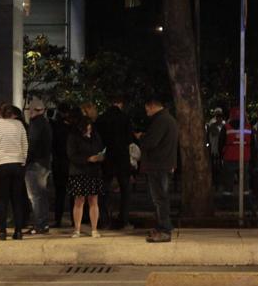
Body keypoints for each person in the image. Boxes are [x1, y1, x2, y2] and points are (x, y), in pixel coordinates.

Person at [0, 103, 30, 240]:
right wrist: (22, 160)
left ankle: (2, 231)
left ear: (1, 113)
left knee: (2, 200)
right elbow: (25, 144)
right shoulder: (19, 125)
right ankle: (18, 231)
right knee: (17, 199)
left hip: (0, 164)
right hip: (17, 163)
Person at [140, 96, 179, 243]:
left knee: (159, 198)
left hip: (158, 165)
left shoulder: (161, 121)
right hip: (165, 164)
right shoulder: (169, 119)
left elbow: (151, 142)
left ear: (152, 106)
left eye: (147, 110)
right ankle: (163, 226)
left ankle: (164, 229)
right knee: (161, 197)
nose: (146, 113)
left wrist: (142, 138)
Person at [65, 114, 106, 238]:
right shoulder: (73, 137)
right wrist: (88, 159)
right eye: (87, 127)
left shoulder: (95, 136)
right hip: (79, 172)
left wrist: (100, 157)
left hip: (94, 172)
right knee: (79, 200)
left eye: (90, 126)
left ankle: (94, 229)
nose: (89, 129)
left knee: (93, 200)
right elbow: (71, 155)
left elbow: (100, 148)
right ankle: (77, 229)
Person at [96, 97, 134, 229]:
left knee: (104, 190)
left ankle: (104, 219)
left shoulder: (101, 119)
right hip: (122, 158)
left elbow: (97, 140)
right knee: (125, 190)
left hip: (108, 157)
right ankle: (123, 219)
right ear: (121, 104)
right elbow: (130, 139)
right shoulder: (125, 118)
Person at [25, 99, 54, 234]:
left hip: (36, 163)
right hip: (45, 163)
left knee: (35, 196)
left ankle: (40, 224)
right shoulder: (46, 123)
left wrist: (27, 159)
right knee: (41, 194)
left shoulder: (36, 123)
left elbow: (33, 143)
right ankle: (43, 223)